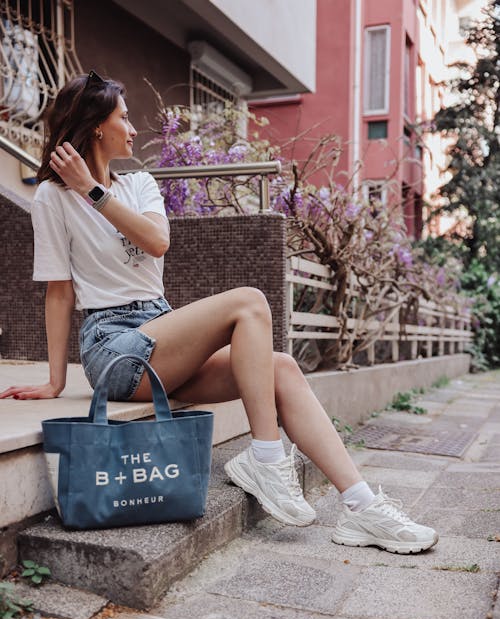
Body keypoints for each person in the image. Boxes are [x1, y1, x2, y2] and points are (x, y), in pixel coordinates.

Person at [0, 71, 438, 554]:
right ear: (97, 126)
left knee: (283, 368)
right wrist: (57, 381)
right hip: (113, 346)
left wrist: (93, 190)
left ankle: (362, 509)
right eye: (124, 117)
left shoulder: (141, 184)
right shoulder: (50, 197)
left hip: (160, 332)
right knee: (249, 301)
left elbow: (157, 242)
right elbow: (59, 293)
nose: (134, 128)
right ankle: (268, 458)